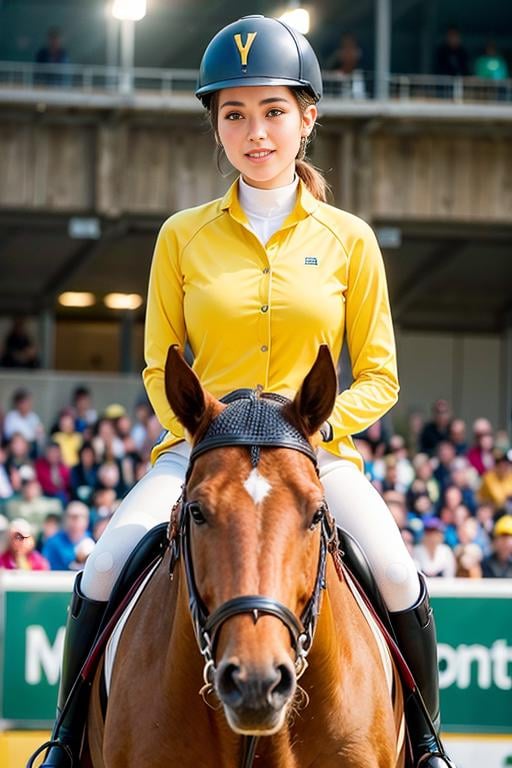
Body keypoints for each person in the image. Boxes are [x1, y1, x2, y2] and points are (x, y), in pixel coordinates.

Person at [38, 16, 455, 768]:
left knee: (396, 572)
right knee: (102, 564)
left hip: (315, 457)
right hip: (199, 455)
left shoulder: (350, 240)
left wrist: (314, 432)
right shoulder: (181, 237)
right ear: (217, 127)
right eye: (234, 115)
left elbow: (382, 376)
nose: (254, 132)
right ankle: (66, 745)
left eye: (272, 112)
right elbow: (154, 369)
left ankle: (426, 746)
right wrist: (207, 438)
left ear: (307, 119)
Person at [42, 501, 92, 571]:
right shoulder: (53, 543)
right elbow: (47, 569)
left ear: (87, 521)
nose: (75, 522)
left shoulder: (95, 540)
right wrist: (76, 561)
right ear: (65, 519)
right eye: (71, 517)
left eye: (80, 517)